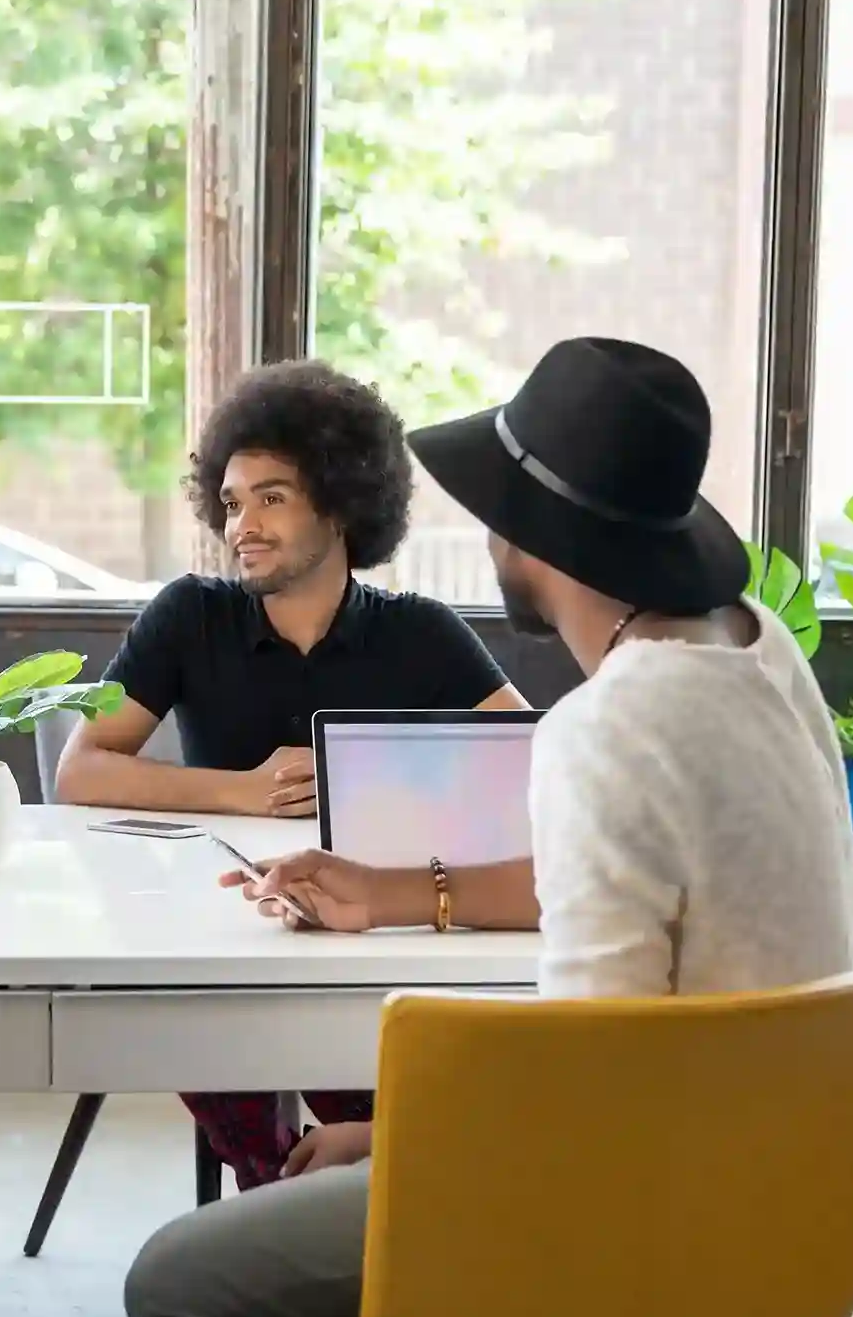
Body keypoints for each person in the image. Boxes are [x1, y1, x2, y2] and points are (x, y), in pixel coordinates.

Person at [124, 337, 853, 1317]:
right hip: (782, 1201)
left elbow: (578, 1087)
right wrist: (405, 893)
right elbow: (629, 899)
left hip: (641, 1213)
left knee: (182, 1286)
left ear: (533, 540)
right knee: (328, 1256)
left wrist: (399, 1138)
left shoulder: (607, 727)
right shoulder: (758, 658)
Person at [57, 359, 527, 1191]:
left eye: (270, 497)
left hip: (368, 931)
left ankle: (345, 1184)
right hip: (220, 923)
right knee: (209, 1023)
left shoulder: (420, 632)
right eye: (232, 503)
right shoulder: (188, 615)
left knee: (369, 1064)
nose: (242, 524)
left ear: (342, 503)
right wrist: (239, 790)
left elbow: (532, 767)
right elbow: (81, 769)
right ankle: (284, 1190)